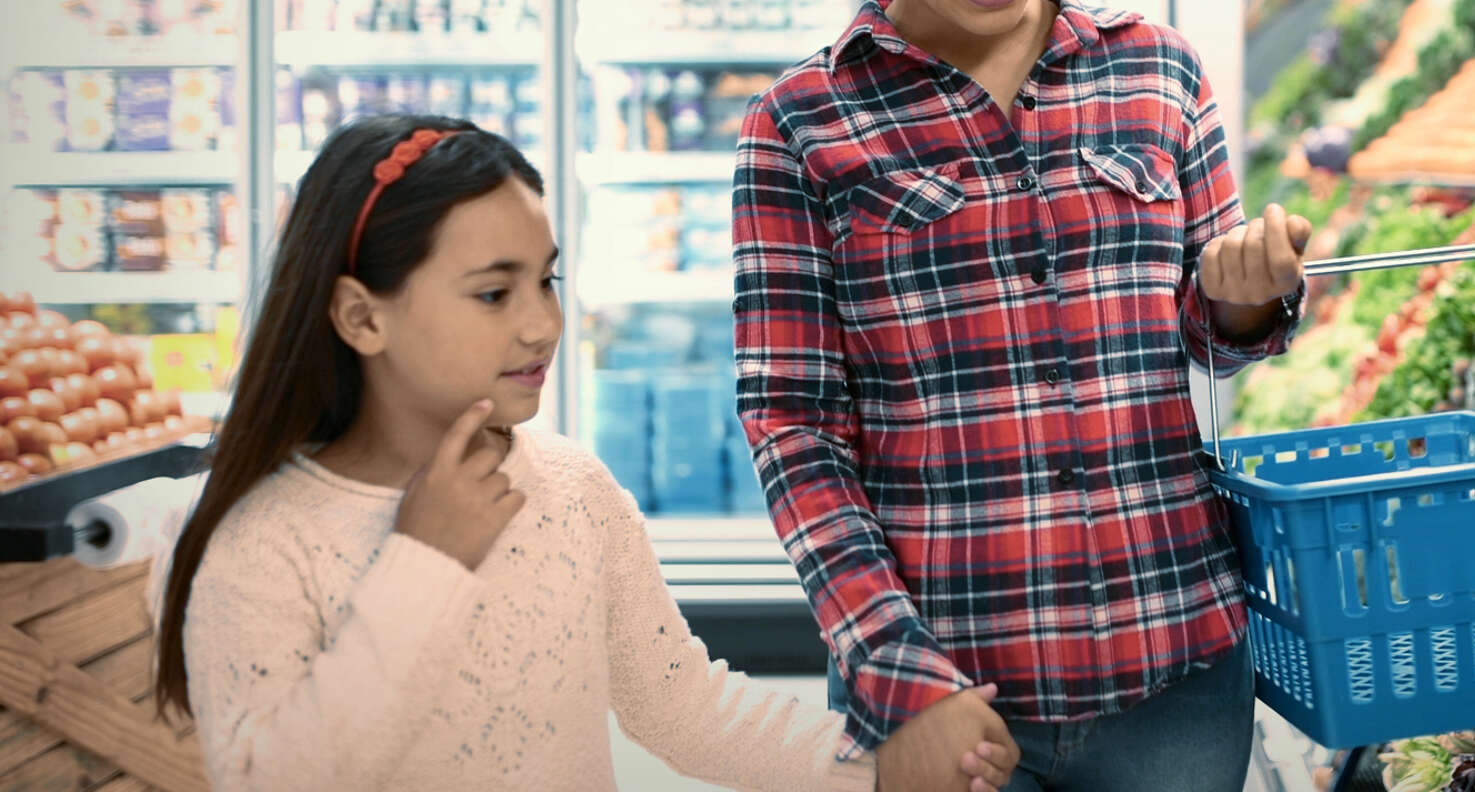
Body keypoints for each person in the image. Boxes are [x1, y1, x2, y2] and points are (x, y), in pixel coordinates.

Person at [736, 0, 1312, 792]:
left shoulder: (1159, 72)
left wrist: (1247, 301)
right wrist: (902, 677)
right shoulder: (801, 127)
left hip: (1178, 676)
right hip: (952, 700)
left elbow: (1208, 336)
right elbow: (797, 433)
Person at [151, 115, 1016, 792]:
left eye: (545, 280)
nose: (541, 324)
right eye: (494, 292)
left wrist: (877, 769)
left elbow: (680, 705)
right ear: (360, 317)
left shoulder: (569, 487)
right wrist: (424, 560)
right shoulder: (262, 541)